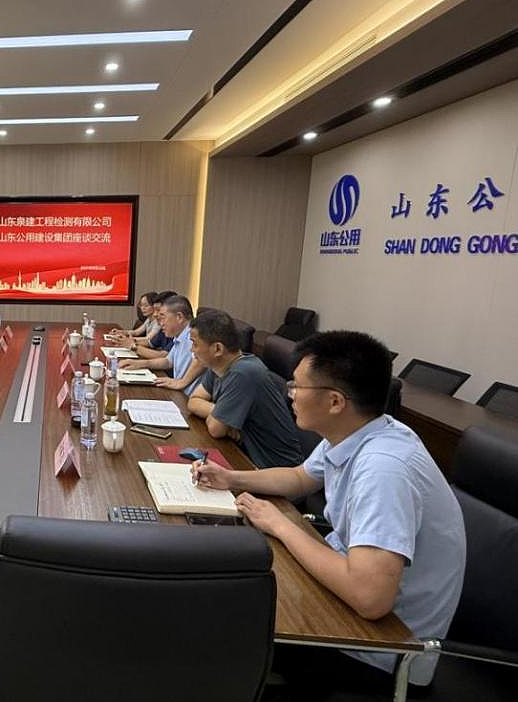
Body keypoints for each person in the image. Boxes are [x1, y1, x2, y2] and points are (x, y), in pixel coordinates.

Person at [192, 330, 465, 691]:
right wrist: (230, 478)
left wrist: (281, 525)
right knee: (220, 595)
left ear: (335, 401)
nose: (290, 393)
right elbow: (298, 478)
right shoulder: (360, 431)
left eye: (297, 386)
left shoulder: (384, 468)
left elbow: (370, 598)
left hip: (378, 652)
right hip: (340, 606)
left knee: (213, 627)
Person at [187, 309, 301, 467]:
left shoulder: (244, 373)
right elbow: (193, 401)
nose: (191, 350)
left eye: (195, 344)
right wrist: (221, 414)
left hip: (270, 466)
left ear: (217, 349)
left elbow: (215, 429)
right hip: (244, 452)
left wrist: (222, 419)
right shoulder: (218, 366)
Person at [118, 295, 204, 395]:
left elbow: (201, 359)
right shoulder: (180, 335)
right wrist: (139, 364)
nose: (160, 324)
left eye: (163, 318)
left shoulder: (193, 335)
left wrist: (182, 382)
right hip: (178, 392)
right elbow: (168, 361)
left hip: (188, 397)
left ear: (179, 317)